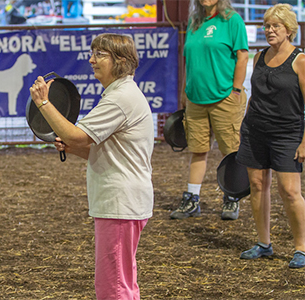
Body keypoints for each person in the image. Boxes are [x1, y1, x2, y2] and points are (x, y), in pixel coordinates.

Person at [29, 33, 154, 299]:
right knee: (123, 282)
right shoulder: (122, 94)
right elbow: (105, 151)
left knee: (114, 287)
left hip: (120, 203)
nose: (91, 60)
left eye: (99, 55)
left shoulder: (120, 99)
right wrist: (74, 149)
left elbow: (77, 136)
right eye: (92, 53)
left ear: (120, 60)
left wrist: (43, 102)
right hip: (123, 202)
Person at [237, 4, 305, 268]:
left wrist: (303, 140)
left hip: (287, 133)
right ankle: (264, 244)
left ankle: (301, 247)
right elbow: (255, 96)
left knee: (289, 191)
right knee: (257, 186)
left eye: (275, 26)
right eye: (266, 26)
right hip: (255, 130)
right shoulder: (259, 57)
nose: (269, 30)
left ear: (288, 29)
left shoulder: (300, 60)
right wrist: (244, 127)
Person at [170, 0, 249, 220]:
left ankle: (232, 197)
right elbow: (190, 61)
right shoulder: (196, 22)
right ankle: (192, 200)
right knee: (197, 150)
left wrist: (235, 90)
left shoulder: (232, 21)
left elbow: (243, 56)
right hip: (196, 98)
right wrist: (185, 90)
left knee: (231, 152)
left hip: (224, 97)